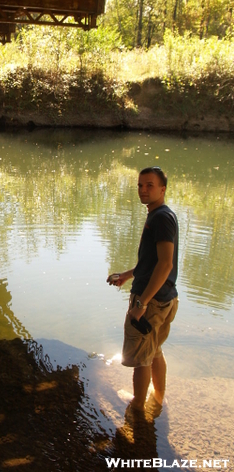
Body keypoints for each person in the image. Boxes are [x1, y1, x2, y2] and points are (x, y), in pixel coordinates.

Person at [107, 166, 179, 412]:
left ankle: (137, 407)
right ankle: (158, 399)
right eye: (140, 185)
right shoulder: (161, 214)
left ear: (162, 189)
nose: (143, 190)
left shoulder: (160, 218)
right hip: (166, 298)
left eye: (149, 185)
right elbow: (151, 262)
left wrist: (141, 304)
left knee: (141, 359)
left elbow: (166, 264)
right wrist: (127, 275)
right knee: (155, 350)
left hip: (152, 302)